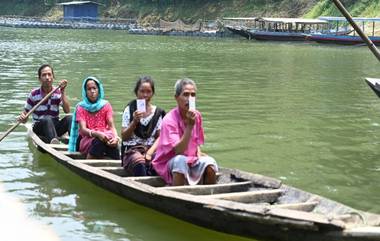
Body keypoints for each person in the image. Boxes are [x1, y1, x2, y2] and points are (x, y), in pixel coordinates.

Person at [152, 78, 218, 186]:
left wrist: (199, 154)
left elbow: (196, 142)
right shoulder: (169, 120)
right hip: (169, 162)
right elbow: (178, 150)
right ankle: (178, 195)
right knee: (180, 161)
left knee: (210, 162)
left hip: (190, 159)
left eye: (193, 95)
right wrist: (190, 126)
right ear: (177, 98)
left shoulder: (197, 116)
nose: (190, 98)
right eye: (186, 94)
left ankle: (209, 195)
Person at [121, 76, 165, 176]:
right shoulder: (130, 109)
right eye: (142, 91)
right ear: (136, 92)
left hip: (150, 149)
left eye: (148, 92)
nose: (145, 95)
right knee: (139, 162)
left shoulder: (157, 112)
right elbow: (124, 137)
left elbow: (160, 137)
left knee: (162, 161)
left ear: (152, 93)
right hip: (132, 150)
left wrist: (150, 152)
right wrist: (134, 122)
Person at [68, 76, 120, 160]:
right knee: (99, 142)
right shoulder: (81, 107)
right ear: (85, 92)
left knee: (113, 145)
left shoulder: (106, 105)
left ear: (98, 90)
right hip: (87, 138)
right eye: (89, 89)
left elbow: (111, 126)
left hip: (105, 136)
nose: (92, 91)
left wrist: (116, 138)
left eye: (94, 88)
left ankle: (118, 164)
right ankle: (88, 163)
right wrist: (97, 134)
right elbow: (83, 130)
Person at [18, 64, 71, 144]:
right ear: (39, 79)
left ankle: (76, 141)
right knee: (47, 119)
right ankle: (54, 144)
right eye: (44, 75)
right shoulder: (33, 94)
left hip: (54, 126)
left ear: (53, 77)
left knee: (70, 118)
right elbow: (25, 116)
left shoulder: (58, 92)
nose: (47, 77)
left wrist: (63, 91)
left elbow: (67, 110)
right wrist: (23, 118)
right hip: (39, 127)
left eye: (49, 74)